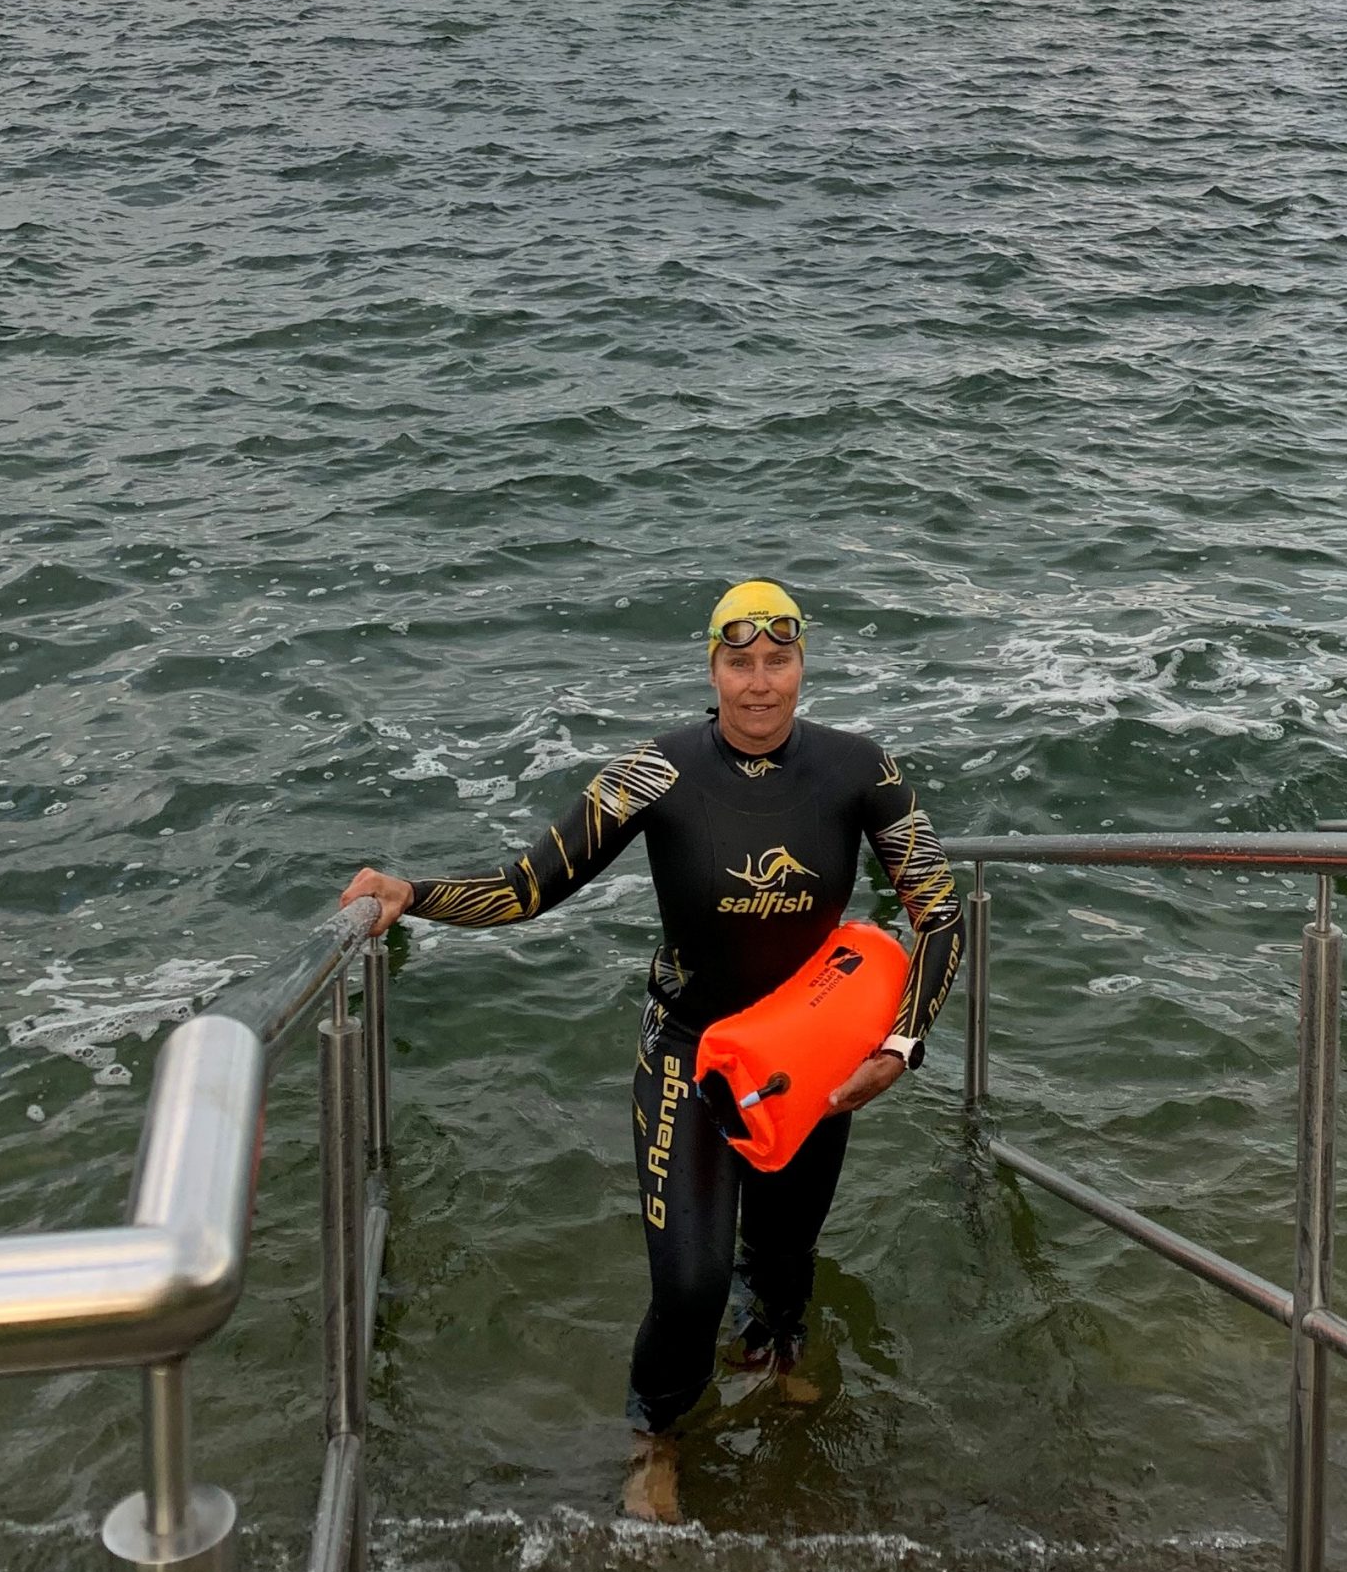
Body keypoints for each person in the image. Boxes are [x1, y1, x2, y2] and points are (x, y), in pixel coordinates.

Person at [340, 580, 962, 1522]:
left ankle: (773, 1353)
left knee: (787, 1254)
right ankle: (655, 1433)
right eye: (739, 663)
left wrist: (902, 1046)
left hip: (806, 1057)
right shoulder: (653, 773)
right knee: (690, 1281)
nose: (760, 686)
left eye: (778, 662)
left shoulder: (859, 770)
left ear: (803, 664)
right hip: (688, 1052)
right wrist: (410, 893)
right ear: (710, 668)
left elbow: (941, 911)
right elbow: (527, 887)